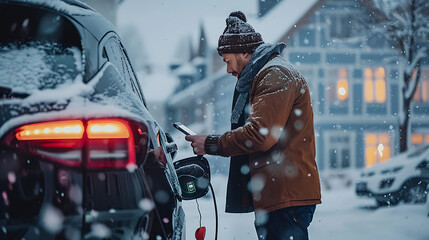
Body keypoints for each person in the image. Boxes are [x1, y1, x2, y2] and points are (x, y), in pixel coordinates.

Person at [185, 11, 321, 240]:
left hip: (286, 197)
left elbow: (260, 134)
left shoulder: (275, 74)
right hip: (278, 194)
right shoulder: (265, 74)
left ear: (245, 52)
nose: (228, 70)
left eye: (228, 61)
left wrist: (211, 143)